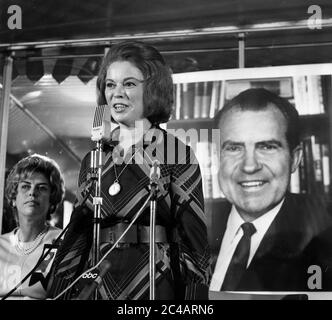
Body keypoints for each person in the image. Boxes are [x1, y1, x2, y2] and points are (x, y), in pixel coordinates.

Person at [47, 40, 211, 300]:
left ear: (154, 89)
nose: (117, 93)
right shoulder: (94, 158)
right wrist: (59, 291)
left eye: (129, 83)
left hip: (154, 284)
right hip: (98, 282)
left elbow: (194, 242)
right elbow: (77, 237)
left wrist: (193, 300)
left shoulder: (176, 153)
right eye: (110, 84)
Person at [209, 88, 332, 292]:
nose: (249, 166)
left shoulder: (324, 234)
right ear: (217, 158)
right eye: (234, 148)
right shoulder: (191, 226)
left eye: (267, 147)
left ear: (296, 159)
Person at [0, 154, 65, 299]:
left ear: (52, 199)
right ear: (13, 198)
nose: (32, 192)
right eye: (25, 186)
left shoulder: (63, 242)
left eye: (41, 188)